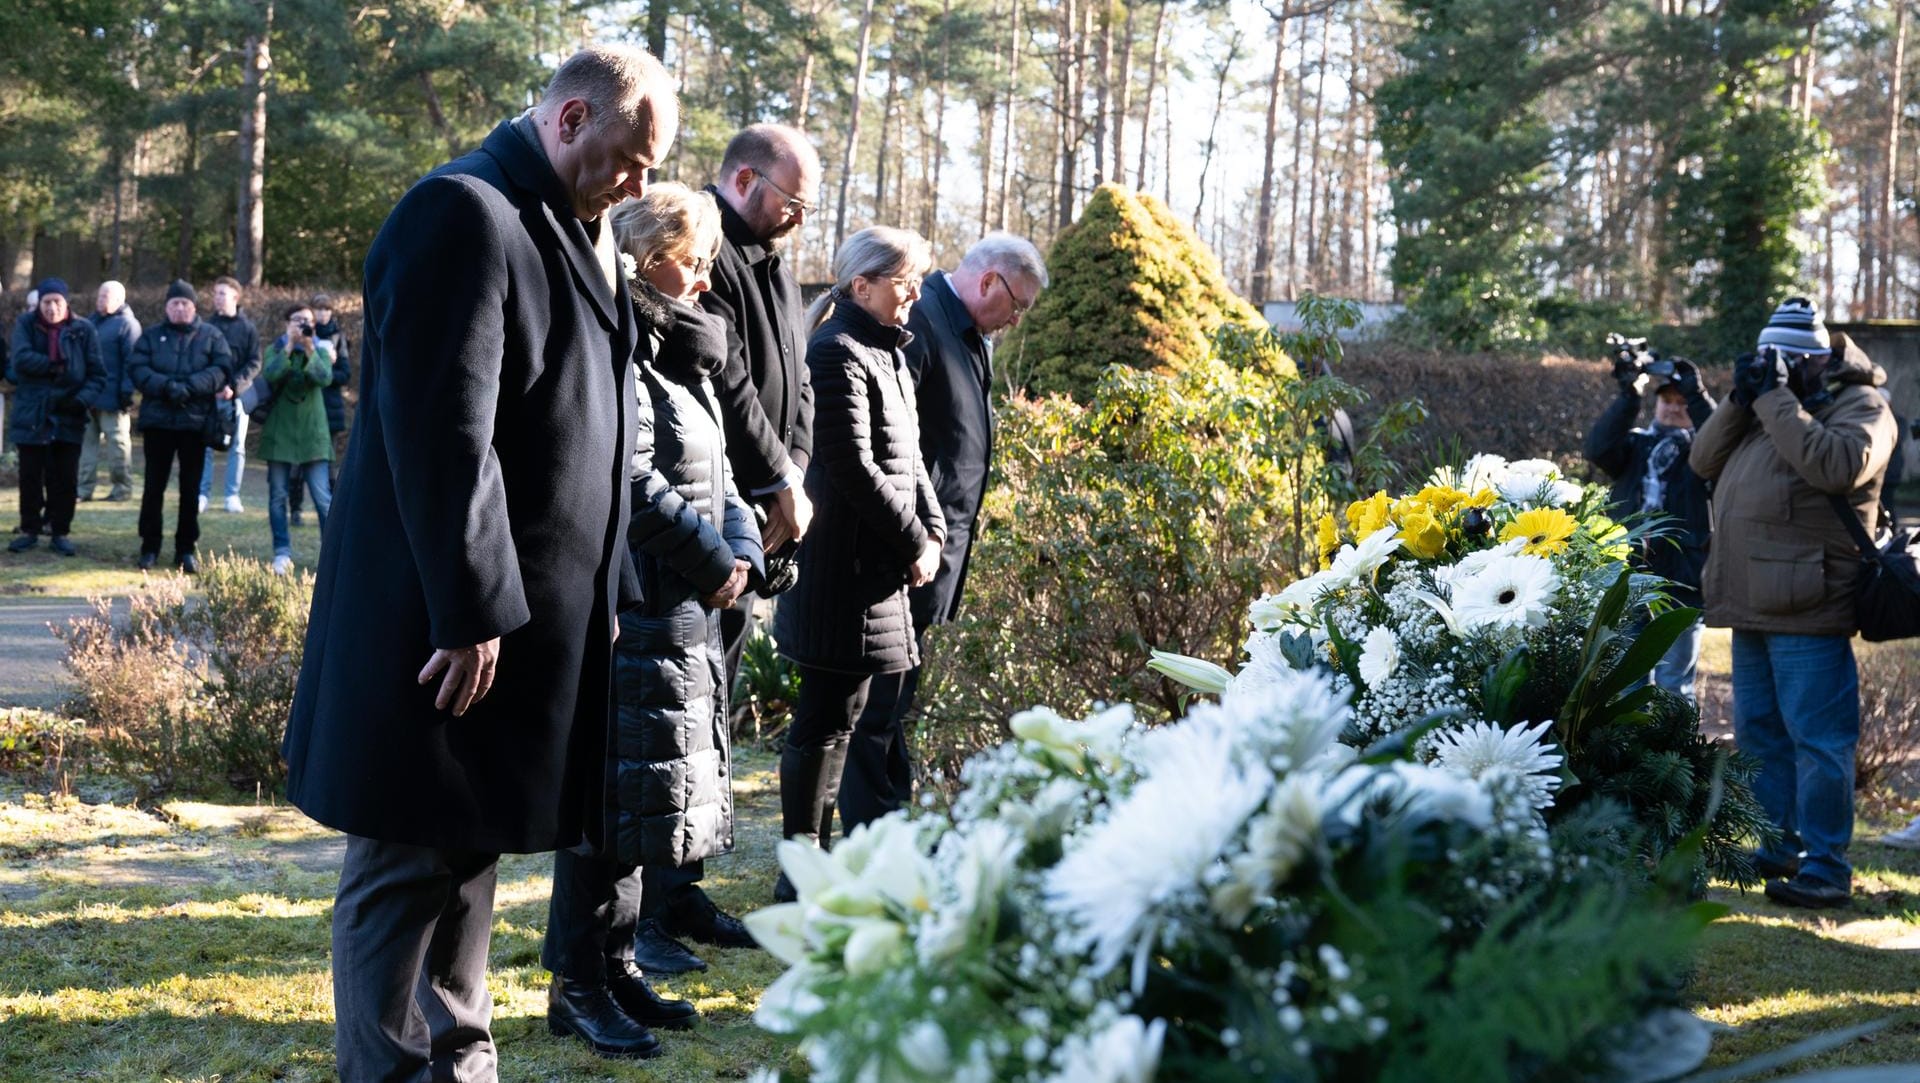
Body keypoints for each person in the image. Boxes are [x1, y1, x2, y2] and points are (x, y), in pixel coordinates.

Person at [280, 45, 676, 1075]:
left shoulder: (570, 226)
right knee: (408, 853)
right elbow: (443, 431)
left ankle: (459, 1058)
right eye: (634, 159)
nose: (640, 185)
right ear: (573, 118)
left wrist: (607, 590)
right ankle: (395, 1066)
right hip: (443, 620)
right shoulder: (462, 212)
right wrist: (469, 607)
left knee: (468, 847)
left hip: (518, 622)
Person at [542, 183, 762, 1050]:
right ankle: (578, 983)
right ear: (643, 254)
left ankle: (620, 963)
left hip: (684, 606)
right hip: (632, 607)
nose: (704, 281)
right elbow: (629, 479)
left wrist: (738, 552)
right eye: (693, 260)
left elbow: (727, 474)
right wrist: (714, 561)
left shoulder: (679, 351)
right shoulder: (622, 346)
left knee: (641, 810)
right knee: (607, 813)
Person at [626, 122, 822, 970]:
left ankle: (682, 885)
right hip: (710, 514)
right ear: (745, 180)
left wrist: (794, 475)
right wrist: (775, 482)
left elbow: (797, 377)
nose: (801, 215)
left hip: (749, 511)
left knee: (707, 709)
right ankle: (648, 907)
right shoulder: (703, 246)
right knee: (666, 716)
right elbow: (730, 380)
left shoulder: (771, 263)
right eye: (793, 198)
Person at [1689, 297, 1897, 910]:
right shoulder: (1764, 406)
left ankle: (1827, 866)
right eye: (1764, 357)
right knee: (1760, 737)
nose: (1772, 366)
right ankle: (1778, 847)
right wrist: (1738, 398)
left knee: (1820, 740)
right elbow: (1702, 460)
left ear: (1817, 357)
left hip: (1810, 602)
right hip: (1749, 600)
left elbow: (1837, 466)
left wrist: (1777, 399)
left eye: (1782, 358)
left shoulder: (1864, 405)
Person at [838, 232, 1048, 832]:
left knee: (896, 704)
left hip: (934, 554)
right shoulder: (923, 321)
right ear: (989, 282)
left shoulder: (967, 334)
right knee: (876, 707)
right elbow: (892, 446)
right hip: (903, 554)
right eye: (1017, 304)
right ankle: (868, 837)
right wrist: (915, 538)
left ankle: (890, 822)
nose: (1015, 319)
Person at [769, 226, 943, 902]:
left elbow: (912, 462)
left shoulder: (890, 354)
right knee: (824, 718)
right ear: (861, 284)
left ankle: (823, 862)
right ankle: (800, 871)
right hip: (841, 575)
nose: (914, 295)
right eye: (905, 282)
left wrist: (932, 531)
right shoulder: (835, 352)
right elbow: (852, 466)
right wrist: (913, 543)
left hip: (880, 575)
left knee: (849, 717)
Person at [1582, 350, 1715, 705]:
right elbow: (1597, 448)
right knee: (1626, 684)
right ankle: (1631, 758)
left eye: (1681, 401)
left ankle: (1679, 759)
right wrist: (1629, 396)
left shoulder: (1704, 453)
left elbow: (1723, 443)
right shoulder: (1636, 446)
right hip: (1628, 577)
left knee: (1675, 688)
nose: (1673, 407)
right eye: (1667, 400)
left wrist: (1699, 397)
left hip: (1681, 582)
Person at [129, 280, 232, 573]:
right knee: (153, 487)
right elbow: (137, 369)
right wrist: (167, 387)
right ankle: (149, 546)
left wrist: (190, 387)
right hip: (158, 423)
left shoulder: (212, 336)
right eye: (174, 303)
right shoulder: (151, 336)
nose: (179, 308)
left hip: (195, 423)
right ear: (166, 307)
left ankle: (185, 549)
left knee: (190, 489)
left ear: (194, 307)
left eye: (185, 303)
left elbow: (223, 369)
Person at [7, 278, 106, 556]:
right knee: (30, 475)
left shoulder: (83, 330)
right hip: (32, 412)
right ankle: (30, 529)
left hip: (69, 412)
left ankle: (59, 530)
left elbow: (97, 373)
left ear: (66, 303)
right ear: (39, 304)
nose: (52, 308)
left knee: (64, 477)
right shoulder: (26, 325)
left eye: (57, 302)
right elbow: (21, 361)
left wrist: (81, 399)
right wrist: (54, 365)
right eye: (46, 302)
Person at [256, 304, 335, 576]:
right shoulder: (275, 350)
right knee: (278, 496)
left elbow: (324, 379)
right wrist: (290, 345)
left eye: (308, 321)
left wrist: (311, 348)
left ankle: (330, 554)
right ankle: (282, 553)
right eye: (297, 320)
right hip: (280, 434)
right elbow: (272, 374)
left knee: (323, 498)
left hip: (313, 435)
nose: (303, 325)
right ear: (286, 323)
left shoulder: (321, 350)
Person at [287, 291, 352, 525]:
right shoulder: (299, 336)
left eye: (327, 309)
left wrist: (326, 367)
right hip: (303, 405)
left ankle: (332, 512)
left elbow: (345, 375)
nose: (323, 313)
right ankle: (295, 510)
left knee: (327, 463)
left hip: (329, 406)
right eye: (319, 309)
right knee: (296, 463)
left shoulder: (338, 337)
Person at [200, 276, 261, 514]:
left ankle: (231, 495)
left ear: (235, 296)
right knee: (205, 447)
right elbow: (202, 359)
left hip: (238, 398)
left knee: (237, 447)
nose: (217, 298)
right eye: (215, 293)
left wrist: (233, 387)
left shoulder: (247, 328)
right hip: (210, 396)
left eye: (222, 293)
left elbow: (255, 362)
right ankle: (202, 494)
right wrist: (213, 386)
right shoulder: (207, 326)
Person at [80, 280, 140, 502]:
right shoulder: (90, 322)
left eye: (105, 296)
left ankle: (122, 489)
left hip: (114, 396)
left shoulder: (128, 325)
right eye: (99, 295)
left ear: (118, 299)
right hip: (88, 395)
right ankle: (83, 489)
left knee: (118, 445)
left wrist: (126, 393)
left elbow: (131, 363)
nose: (100, 300)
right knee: (86, 445)